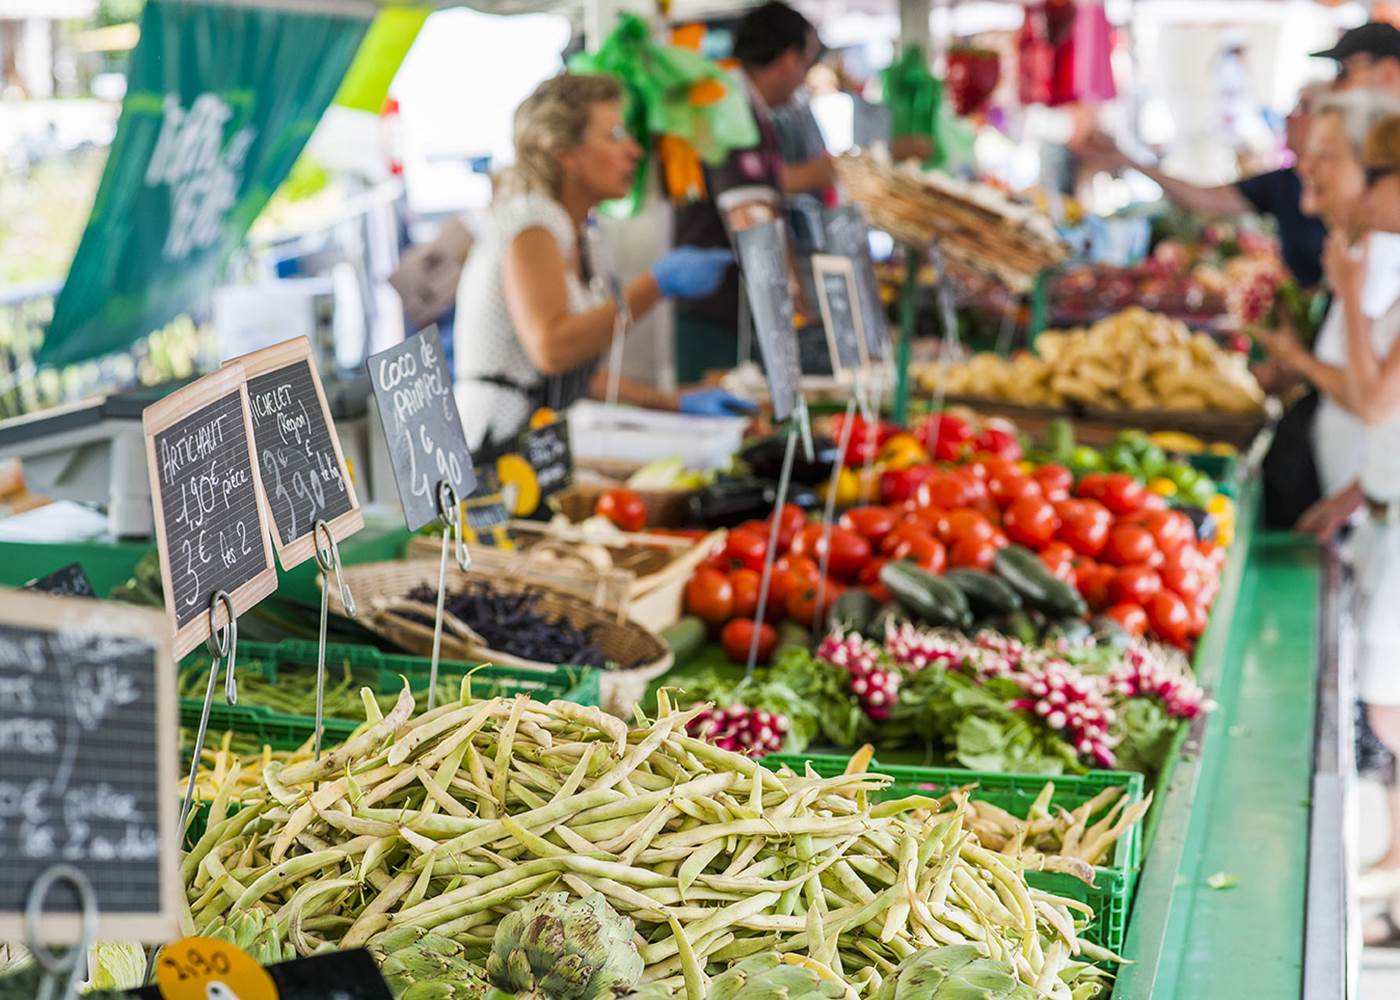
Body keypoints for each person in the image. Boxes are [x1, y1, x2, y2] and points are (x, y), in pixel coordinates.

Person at [452, 73, 753, 453]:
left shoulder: (580, 233)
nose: (634, 150)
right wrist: (655, 286)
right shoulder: (531, 225)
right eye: (614, 136)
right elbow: (553, 349)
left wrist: (673, 401)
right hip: (496, 452)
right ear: (566, 154)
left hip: (543, 447)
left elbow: (579, 376)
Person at [1303, 113, 1400, 946]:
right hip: (1384, 503)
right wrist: (1359, 491)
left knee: (1390, 701)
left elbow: (1374, 400)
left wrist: (1344, 293)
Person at [672, 1, 824, 383]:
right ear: (789, 60)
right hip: (716, 317)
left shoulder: (737, 101)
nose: (804, 77)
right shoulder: (730, 106)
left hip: (721, 310)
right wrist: (795, 312)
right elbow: (753, 219)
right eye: (806, 63)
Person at [1074, 82, 1328, 287]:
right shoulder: (1282, 182)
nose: (1289, 117)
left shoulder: (1343, 184)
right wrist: (1127, 159)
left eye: (1303, 107)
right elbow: (1202, 198)